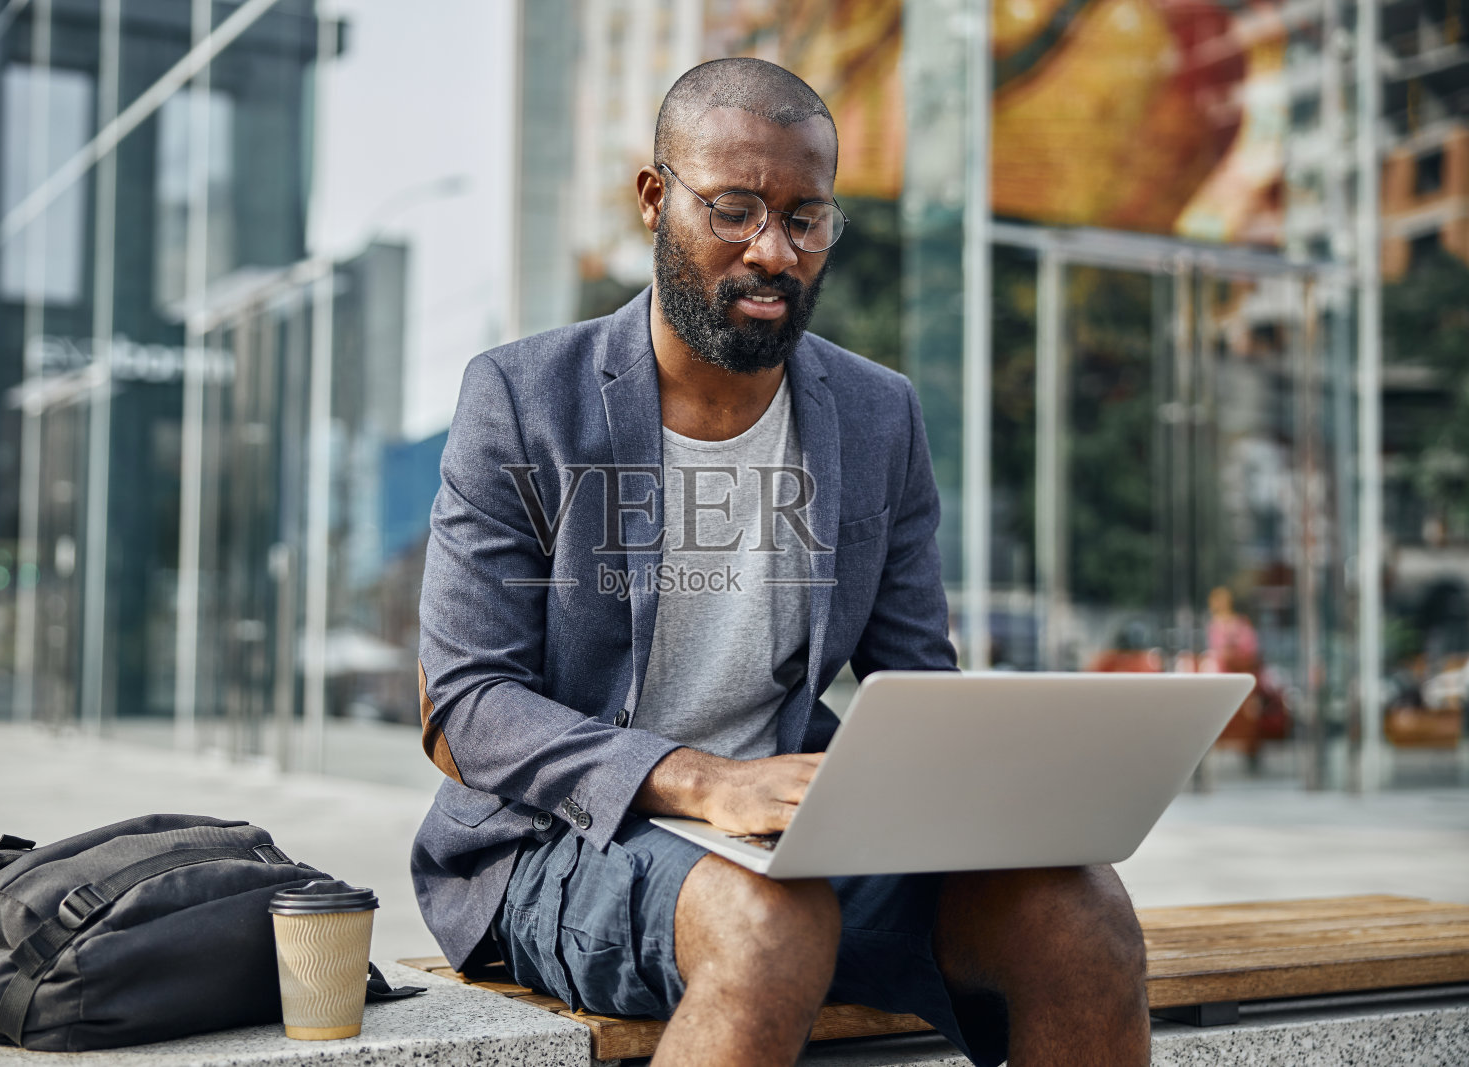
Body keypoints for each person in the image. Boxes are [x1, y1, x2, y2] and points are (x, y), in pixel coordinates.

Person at [412, 58, 1149, 1067]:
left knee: (1081, 910)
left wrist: (1000, 788)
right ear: (654, 198)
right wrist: (704, 781)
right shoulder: (524, 397)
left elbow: (914, 680)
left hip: (796, 838)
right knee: (770, 922)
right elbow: (469, 699)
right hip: (563, 837)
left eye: (806, 219)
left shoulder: (877, 413)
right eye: (734, 210)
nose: (774, 251)